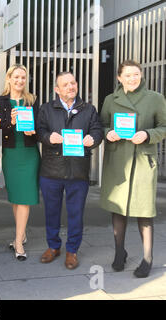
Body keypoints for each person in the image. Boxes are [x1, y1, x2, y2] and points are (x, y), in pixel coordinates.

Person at [100, 60, 166, 278]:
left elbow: (163, 127)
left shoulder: (155, 98)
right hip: (118, 160)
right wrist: (108, 133)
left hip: (143, 162)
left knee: (144, 212)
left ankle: (147, 258)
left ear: (141, 75)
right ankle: (120, 253)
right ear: (119, 78)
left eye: (135, 74)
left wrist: (148, 135)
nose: (132, 78)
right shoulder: (111, 100)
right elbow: (101, 125)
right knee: (118, 210)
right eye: (127, 75)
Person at [37, 72, 103, 270]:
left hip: (78, 171)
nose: (70, 87)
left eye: (73, 83)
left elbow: (98, 130)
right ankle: (53, 246)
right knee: (51, 213)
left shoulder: (89, 109)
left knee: (76, 213)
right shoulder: (46, 109)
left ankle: (72, 250)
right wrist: (49, 137)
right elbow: (39, 131)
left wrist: (94, 139)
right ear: (57, 90)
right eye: (65, 84)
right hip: (51, 171)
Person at [0, 65, 40, 261]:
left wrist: (34, 131)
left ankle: (19, 242)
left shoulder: (32, 100)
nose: (20, 81)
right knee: (15, 197)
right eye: (16, 77)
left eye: (23, 77)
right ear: (9, 79)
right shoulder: (1, 101)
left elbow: (40, 126)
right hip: (11, 154)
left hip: (29, 153)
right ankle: (20, 234)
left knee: (25, 198)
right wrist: (11, 123)